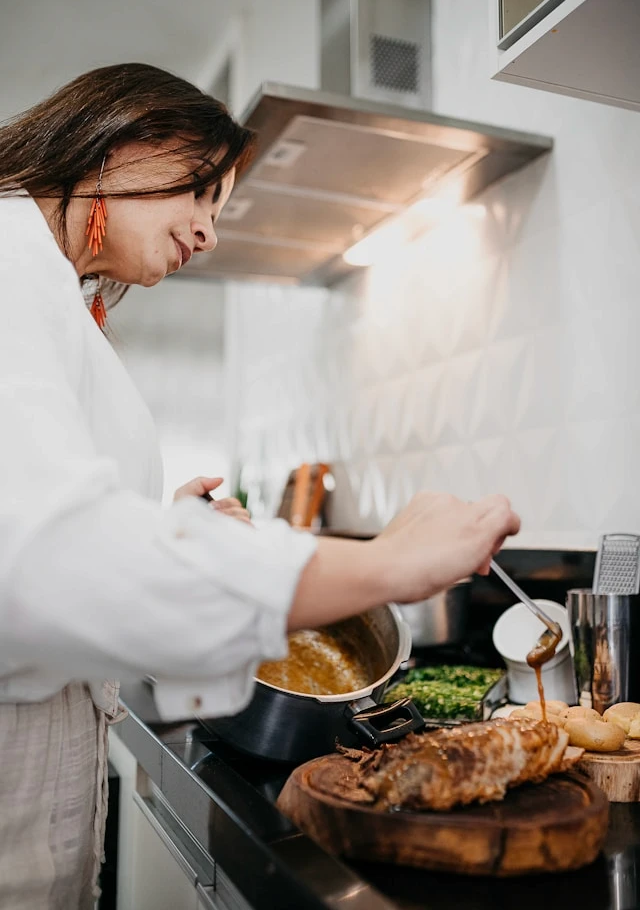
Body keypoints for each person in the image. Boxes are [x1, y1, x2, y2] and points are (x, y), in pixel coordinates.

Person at [0, 63, 520, 910]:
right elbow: (40, 559)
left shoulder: (45, 287)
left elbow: (38, 515)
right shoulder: (8, 266)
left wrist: (163, 528)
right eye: (203, 196)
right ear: (128, 144)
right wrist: (390, 563)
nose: (208, 235)